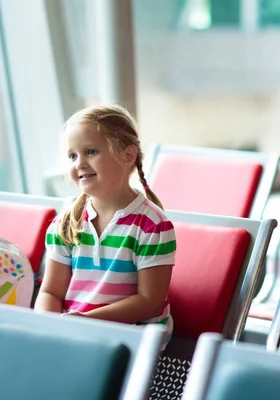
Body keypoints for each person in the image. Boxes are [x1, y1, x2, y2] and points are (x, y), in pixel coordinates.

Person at [34, 104, 176, 334]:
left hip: (132, 340)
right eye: (72, 155)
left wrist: (86, 322)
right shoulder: (66, 223)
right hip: (77, 334)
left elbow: (150, 302)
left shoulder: (153, 225)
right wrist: (50, 329)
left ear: (128, 156)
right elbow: (51, 293)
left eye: (90, 151)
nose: (79, 163)